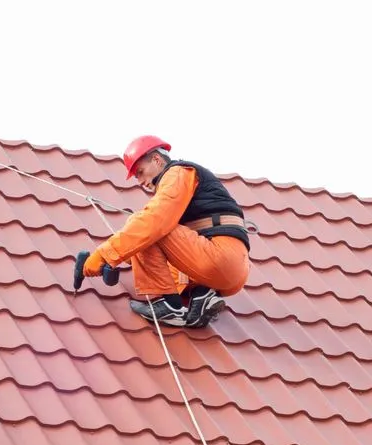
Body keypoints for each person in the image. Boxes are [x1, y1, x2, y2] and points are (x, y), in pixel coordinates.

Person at [78, 135, 251, 328]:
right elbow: (167, 246)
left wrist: (103, 256)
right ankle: (202, 295)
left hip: (218, 258)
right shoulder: (187, 184)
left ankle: (170, 305)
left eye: (141, 172)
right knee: (147, 235)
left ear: (157, 159)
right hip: (232, 270)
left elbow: (152, 224)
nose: (140, 181)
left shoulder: (177, 173)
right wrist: (117, 261)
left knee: (143, 224)